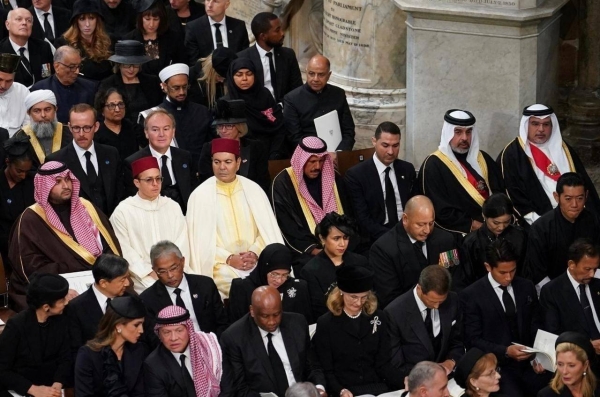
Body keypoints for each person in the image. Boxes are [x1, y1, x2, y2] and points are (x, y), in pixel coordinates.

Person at [7, 161, 121, 311]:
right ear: (44, 186)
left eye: (67, 179)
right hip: (55, 285)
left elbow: (109, 247)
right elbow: (30, 267)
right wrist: (61, 287)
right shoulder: (31, 219)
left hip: (98, 279)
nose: (66, 186)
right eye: (58, 182)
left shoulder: (87, 207)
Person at [186, 138, 283, 297]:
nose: (222, 167)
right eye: (217, 162)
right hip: (220, 266)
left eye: (228, 162)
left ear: (238, 163)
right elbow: (199, 243)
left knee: (272, 278)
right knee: (237, 288)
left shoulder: (253, 189)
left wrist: (254, 253)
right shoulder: (200, 196)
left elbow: (265, 231)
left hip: (256, 260)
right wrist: (229, 258)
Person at [460, 239, 550, 397]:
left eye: (513, 270)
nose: (509, 277)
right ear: (488, 267)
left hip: (531, 362)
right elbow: (473, 339)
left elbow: (536, 323)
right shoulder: (472, 295)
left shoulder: (526, 286)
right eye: (502, 272)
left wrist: (539, 355)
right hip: (498, 368)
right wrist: (505, 351)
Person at [498, 104, 600, 227]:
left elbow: (583, 183)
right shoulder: (512, 154)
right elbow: (513, 195)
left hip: (575, 216)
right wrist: (540, 222)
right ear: (526, 125)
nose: (541, 129)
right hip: (538, 223)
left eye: (546, 124)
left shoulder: (564, 149)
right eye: (535, 124)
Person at [220, 285, 326, 396]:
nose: (272, 322)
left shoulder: (297, 324)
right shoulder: (234, 338)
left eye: (276, 314)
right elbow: (240, 388)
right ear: (252, 311)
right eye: (265, 316)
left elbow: (313, 366)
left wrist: (319, 388)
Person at [313, 266, 402, 396]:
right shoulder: (326, 323)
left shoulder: (378, 317)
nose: (358, 302)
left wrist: (403, 380)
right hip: (345, 390)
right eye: (353, 297)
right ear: (341, 293)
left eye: (364, 297)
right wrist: (340, 390)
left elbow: (383, 364)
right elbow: (327, 370)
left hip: (377, 387)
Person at [271, 136, 354, 272]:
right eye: (312, 161)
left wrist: (340, 243)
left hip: (340, 244)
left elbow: (349, 213)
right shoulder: (282, 183)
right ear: (301, 160)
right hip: (306, 251)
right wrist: (315, 250)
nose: (317, 167)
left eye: (321, 161)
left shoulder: (334, 178)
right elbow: (287, 227)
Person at [418, 109, 504, 236]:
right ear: (447, 133)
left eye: (468, 132)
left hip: (494, 229)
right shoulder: (433, 165)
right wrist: (474, 225)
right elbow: (440, 210)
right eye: (458, 132)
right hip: (457, 235)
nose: (464, 138)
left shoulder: (483, 158)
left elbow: (500, 191)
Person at [110, 156, 190, 292]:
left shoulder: (172, 206)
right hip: (143, 275)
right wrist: (149, 272)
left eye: (158, 178)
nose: (155, 183)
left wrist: (172, 269)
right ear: (136, 182)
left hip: (175, 270)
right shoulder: (123, 211)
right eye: (149, 180)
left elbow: (182, 241)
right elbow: (124, 248)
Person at [370, 195, 462, 308]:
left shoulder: (446, 240)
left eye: (431, 223)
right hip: (407, 315)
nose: (427, 230)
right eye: (421, 224)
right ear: (405, 219)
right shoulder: (383, 250)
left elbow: (455, 278)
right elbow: (390, 298)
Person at [523, 173, 600, 291]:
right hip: (555, 290)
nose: (574, 204)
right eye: (568, 199)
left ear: (586, 195)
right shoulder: (541, 228)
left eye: (580, 198)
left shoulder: (593, 220)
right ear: (557, 197)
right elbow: (537, 271)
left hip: (590, 283)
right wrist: (557, 294)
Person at [385, 265, 464, 380]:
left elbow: (458, 341)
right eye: (432, 301)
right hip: (416, 382)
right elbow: (396, 363)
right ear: (419, 289)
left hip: (450, 379)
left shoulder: (453, 300)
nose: (437, 306)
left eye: (441, 301)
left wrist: (451, 362)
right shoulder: (395, 313)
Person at [344, 121, 417, 245]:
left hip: (408, 232)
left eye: (395, 145)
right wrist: (394, 238)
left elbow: (414, 206)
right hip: (376, 238)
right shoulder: (356, 175)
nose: (390, 151)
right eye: (385, 145)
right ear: (374, 141)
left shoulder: (407, 169)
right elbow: (363, 219)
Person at [0, 274, 71, 397]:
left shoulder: (62, 320)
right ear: (46, 307)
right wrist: (32, 389)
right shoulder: (17, 326)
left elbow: (66, 357)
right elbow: (2, 369)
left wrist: (58, 383)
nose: (66, 302)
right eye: (61, 300)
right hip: (21, 389)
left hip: (53, 388)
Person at [46, 103, 123, 216]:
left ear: (96, 127)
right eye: (76, 128)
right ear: (69, 127)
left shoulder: (111, 154)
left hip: (111, 224)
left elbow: (119, 193)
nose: (81, 134)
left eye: (87, 127)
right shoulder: (56, 161)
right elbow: (55, 203)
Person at [140, 240, 229, 335]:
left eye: (174, 268)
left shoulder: (205, 285)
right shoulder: (148, 299)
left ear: (182, 262)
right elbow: (154, 337)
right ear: (154, 270)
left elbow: (222, 323)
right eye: (162, 271)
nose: (170, 275)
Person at [139, 63, 212, 169]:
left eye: (184, 87)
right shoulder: (152, 116)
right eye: (176, 88)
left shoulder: (202, 111)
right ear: (164, 87)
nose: (181, 92)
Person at [123, 108, 195, 214]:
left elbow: (193, 192)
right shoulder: (133, 162)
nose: (161, 134)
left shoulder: (185, 157)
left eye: (166, 129)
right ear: (146, 133)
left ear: (173, 132)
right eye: (155, 130)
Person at [74, 296, 148, 397]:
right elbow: (84, 394)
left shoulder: (138, 350)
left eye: (142, 325)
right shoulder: (88, 354)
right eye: (136, 325)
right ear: (118, 325)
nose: (141, 330)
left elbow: (141, 392)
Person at [301, 212, 369, 320]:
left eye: (345, 238)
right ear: (322, 239)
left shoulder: (360, 261)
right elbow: (319, 311)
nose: (342, 244)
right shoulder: (310, 271)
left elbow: (370, 298)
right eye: (336, 238)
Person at [144, 305, 223, 397]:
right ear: (159, 335)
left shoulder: (209, 346)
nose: (173, 338)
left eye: (179, 330)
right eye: (166, 332)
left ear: (189, 330)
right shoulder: (153, 364)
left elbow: (227, 388)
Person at [66, 254, 132, 361]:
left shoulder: (131, 301)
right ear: (103, 283)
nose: (127, 283)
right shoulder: (76, 308)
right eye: (122, 279)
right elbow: (76, 350)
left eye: (127, 277)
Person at [284, 54, 355, 151]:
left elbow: (348, 131)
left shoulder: (339, 94)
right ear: (306, 72)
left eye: (321, 74)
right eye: (311, 74)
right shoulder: (292, 99)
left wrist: (339, 153)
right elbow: (294, 137)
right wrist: (318, 155)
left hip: (337, 154)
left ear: (329, 75)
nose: (315, 79)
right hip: (308, 156)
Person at [197, 98, 270, 191]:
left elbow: (263, 182)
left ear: (240, 127)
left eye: (229, 126)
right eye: (220, 126)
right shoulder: (209, 148)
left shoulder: (256, 148)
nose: (223, 130)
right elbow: (205, 182)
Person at [229, 243, 312, 323]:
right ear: (264, 269)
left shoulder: (299, 287)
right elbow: (236, 326)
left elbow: (305, 323)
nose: (279, 280)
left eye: (284, 275)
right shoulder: (242, 288)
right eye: (274, 274)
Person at [539, 239, 600, 345]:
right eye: (587, 269)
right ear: (571, 264)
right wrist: (588, 345)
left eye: (595, 269)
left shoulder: (597, 285)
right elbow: (553, 334)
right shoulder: (552, 291)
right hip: (578, 354)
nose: (591, 274)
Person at [224, 58, 287, 160]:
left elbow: (278, 124)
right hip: (243, 155)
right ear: (232, 77)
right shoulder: (227, 103)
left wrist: (275, 151)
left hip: (271, 151)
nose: (244, 78)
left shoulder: (264, 95)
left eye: (249, 74)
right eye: (239, 75)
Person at [462, 193, 527, 285]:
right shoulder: (472, 242)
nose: (501, 227)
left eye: (507, 222)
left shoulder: (520, 235)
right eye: (496, 223)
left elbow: (526, 267)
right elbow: (468, 276)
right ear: (484, 216)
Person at [237, 12, 302, 102]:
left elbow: (297, 88)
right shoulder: (242, 58)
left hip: (285, 108)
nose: (282, 33)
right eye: (277, 30)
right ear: (263, 36)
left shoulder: (288, 55)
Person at [99, 40, 163, 127]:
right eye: (127, 65)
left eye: (135, 65)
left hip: (148, 129)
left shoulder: (152, 81)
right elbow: (101, 112)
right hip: (121, 130)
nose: (131, 69)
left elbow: (159, 108)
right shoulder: (108, 84)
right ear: (119, 64)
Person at [30, 46, 99, 124]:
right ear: (57, 67)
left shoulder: (89, 87)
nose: (77, 71)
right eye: (72, 67)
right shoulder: (40, 89)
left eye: (79, 66)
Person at [123, 0, 186, 76]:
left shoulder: (173, 38)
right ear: (140, 19)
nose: (151, 24)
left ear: (161, 20)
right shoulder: (129, 39)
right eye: (147, 19)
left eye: (156, 19)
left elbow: (181, 64)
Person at [54, 0, 112, 81]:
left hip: (106, 89)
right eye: (82, 19)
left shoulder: (108, 41)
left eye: (91, 18)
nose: (87, 24)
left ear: (97, 21)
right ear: (76, 21)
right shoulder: (64, 43)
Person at [16, 90, 72, 170]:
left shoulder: (70, 132)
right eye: (37, 111)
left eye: (47, 109)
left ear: (55, 109)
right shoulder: (20, 137)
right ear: (29, 113)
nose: (43, 115)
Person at [0, 134, 34, 264]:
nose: (23, 175)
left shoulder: (32, 181)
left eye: (27, 171)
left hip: (28, 244)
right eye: (19, 171)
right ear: (8, 162)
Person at [0, 8, 53, 87]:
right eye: (19, 19)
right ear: (7, 25)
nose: (24, 23)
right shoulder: (1, 50)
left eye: (29, 20)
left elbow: (48, 76)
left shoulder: (43, 47)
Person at [184, 0, 249, 64]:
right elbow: (194, 61)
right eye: (208, 0)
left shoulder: (239, 26)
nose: (209, 5)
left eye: (215, 1)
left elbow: (244, 57)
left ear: (226, 5)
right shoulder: (194, 27)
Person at [538, 331, 598, 397]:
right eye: (560, 364)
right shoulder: (546, 395)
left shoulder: (597, 391)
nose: (564, 371)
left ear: (585, 365)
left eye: (571, 365)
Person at [94, 87, 142, 161]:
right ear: (102, 110)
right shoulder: (97, 134)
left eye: (120, 104)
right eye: (111, 105)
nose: (117, 109)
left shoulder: (134, 128)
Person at [0, 52, 28, 136]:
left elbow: (28, 124)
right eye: (0, 79)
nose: (3, 85)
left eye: (9, 81)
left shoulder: (23, 91)